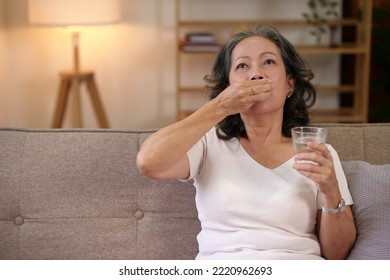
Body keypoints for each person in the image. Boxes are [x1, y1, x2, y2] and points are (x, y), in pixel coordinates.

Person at [136, 25, 356, 260]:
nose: (256, 74)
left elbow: (336, 255)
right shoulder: (209, 144)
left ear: (289, 84)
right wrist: (220, 107)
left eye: (268, 62)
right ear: (228, 87)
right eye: (242, 66)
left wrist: (331, 190)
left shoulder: (317, 152)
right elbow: (149, 162)